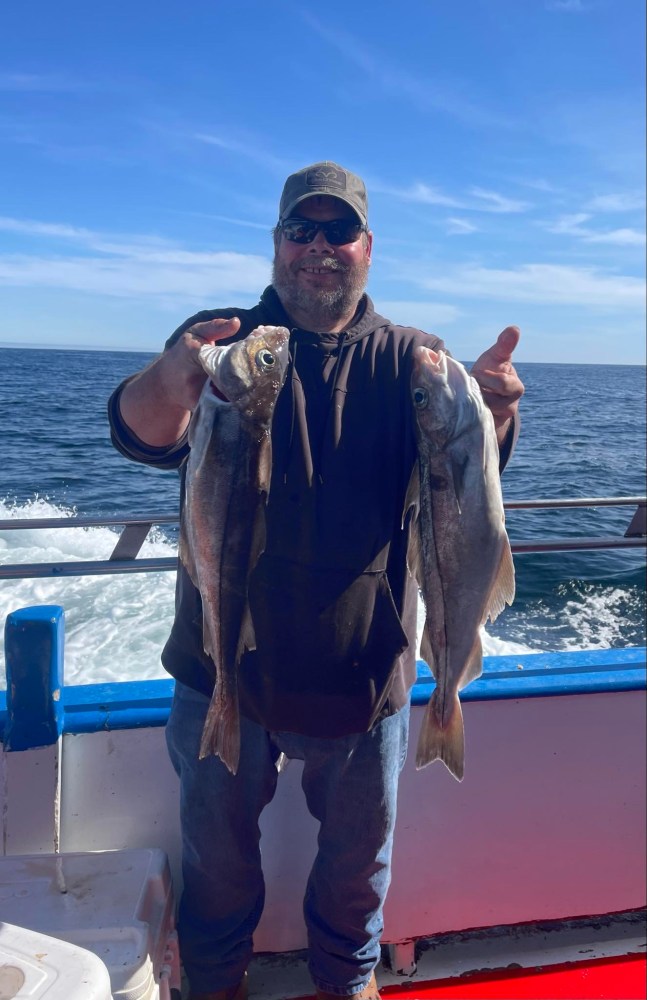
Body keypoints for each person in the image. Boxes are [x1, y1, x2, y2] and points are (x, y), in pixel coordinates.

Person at [108, 162, 524, 1000]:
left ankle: (348, 984)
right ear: (276, 245)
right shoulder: (222, 341)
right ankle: (214, 985)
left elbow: (461, 494)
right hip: (224, 672)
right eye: (302, 231)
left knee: (354, 871)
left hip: (363, 674)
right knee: (215, 865)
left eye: (339, 232)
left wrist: (497, 407)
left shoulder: (413, 359)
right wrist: (174, 377)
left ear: (368, 248)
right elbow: (141, 433)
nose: (319, 249)